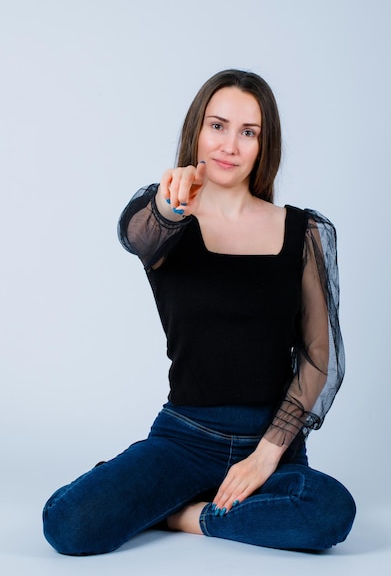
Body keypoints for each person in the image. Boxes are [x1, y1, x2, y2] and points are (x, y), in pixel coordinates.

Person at [43, 69, 356, 556]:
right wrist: (171, 205)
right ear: (197, 131)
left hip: (272, 442)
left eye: (248, 132)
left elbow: (319, 355)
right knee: (68, 523)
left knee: (331, 511)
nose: (230, 145)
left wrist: (267, 455)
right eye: (218, 126)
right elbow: (138, 235)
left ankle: (183, 514)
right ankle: (198, 504)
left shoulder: (304, 232)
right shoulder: (163, 220)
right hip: (185, 440)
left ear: (263, 145)